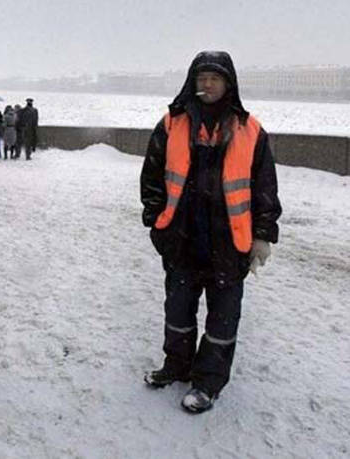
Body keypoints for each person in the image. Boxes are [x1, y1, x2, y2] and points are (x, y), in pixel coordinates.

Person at [140, 51, 281, 413]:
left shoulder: (250, 129)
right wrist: (156, 222)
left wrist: (263, 234)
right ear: (192, 80)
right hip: (181, 240)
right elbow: (153, 175)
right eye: (202, 77)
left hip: (230, 244)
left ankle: (208, 382)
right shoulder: (172, 123)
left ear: (229, 84)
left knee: (222, 319)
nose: (207, 84)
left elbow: (264, 186)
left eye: (215, 78)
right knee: (178, 311)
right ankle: (177, 365)